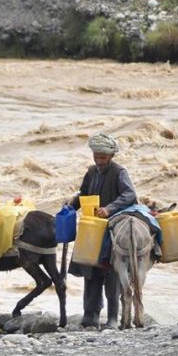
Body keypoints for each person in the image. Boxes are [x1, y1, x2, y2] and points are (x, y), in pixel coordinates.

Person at [67, 132, 138, 328]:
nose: (99, 161)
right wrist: (69, 208)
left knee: (111, 273)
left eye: (103, 158)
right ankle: (90, 316)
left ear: (111, 157)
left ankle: (113, 318)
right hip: (92, 228)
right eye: (96, 157)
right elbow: (83, 194)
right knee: (90, 271)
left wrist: (109, 208)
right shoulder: (91, 172)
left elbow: (130, 194)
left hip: (112, 228)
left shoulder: (119, 172)